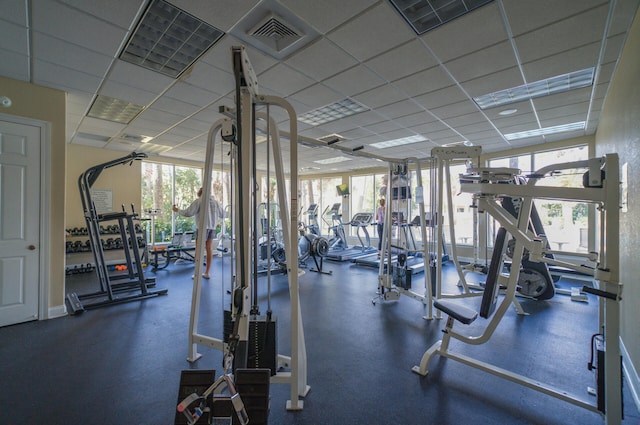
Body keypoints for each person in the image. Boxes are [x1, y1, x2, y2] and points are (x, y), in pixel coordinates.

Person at [172, 187, 223, 279]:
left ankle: (197, 273)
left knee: (199, 251)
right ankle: (207, 273)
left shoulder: (199, 201)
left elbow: (188, 213)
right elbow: (223, 214)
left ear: (200, 193)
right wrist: (214, 219)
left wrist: (177, 210)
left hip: (202, 228)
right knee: (209, 249)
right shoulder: (215, 202)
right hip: (212, 228)